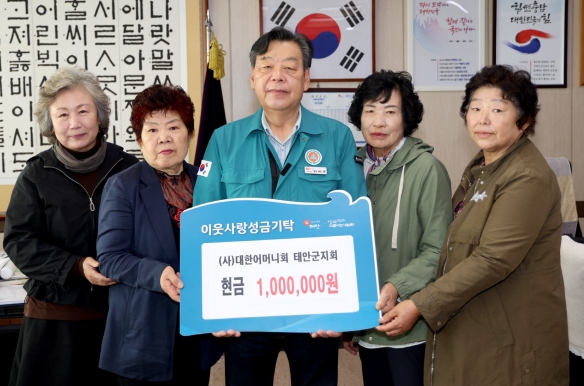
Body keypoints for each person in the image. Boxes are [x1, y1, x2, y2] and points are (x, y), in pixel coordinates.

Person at [193, 26, 366, 385]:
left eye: (290, 67)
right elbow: (203, 227)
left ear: (306, 78)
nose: (278, 76)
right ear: (253, 77)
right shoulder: (224, 140)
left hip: (317, 308)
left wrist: (346, 312)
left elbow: (355, 224)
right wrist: (211, 308)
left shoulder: (337, 137)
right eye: (267, 66)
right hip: (245, 309)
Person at [379, 65, 570, 385]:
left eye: (497, 109)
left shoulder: (526, 176)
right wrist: (401, 286)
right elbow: (452, 243)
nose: (483, 119)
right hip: (477, 318)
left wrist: (421, 304)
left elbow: (492, 259)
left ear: (524, 120)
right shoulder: (482, 167)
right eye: (475, 108)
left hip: (512, 332)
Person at [3, 66, 139, 386]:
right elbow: (19, 241)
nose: (74, 123)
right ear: (50, 123)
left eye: (83, 111)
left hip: (119, 316)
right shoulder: (36, 174)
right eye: (62, 115)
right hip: (53, 320)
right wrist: (76, 267)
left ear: (100, 115)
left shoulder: (128, 168)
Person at [96, 84, 217, 385]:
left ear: (189, 132)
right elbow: (110, 258)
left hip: (198, 328)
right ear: (139, 139)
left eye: (174, 127)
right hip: (143, 333)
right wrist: (158, 274)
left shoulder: (207, 182)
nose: (164, 137)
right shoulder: (123, 186)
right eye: (152, 130)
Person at [342, 70, 452, 386]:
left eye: (390, 112)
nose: (379, 122)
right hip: (366, 321)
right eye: (370, 111)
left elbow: (438, 249)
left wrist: (396, 286)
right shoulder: (351, 167)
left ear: (406, 118)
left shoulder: (427, 169)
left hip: (410, 321)